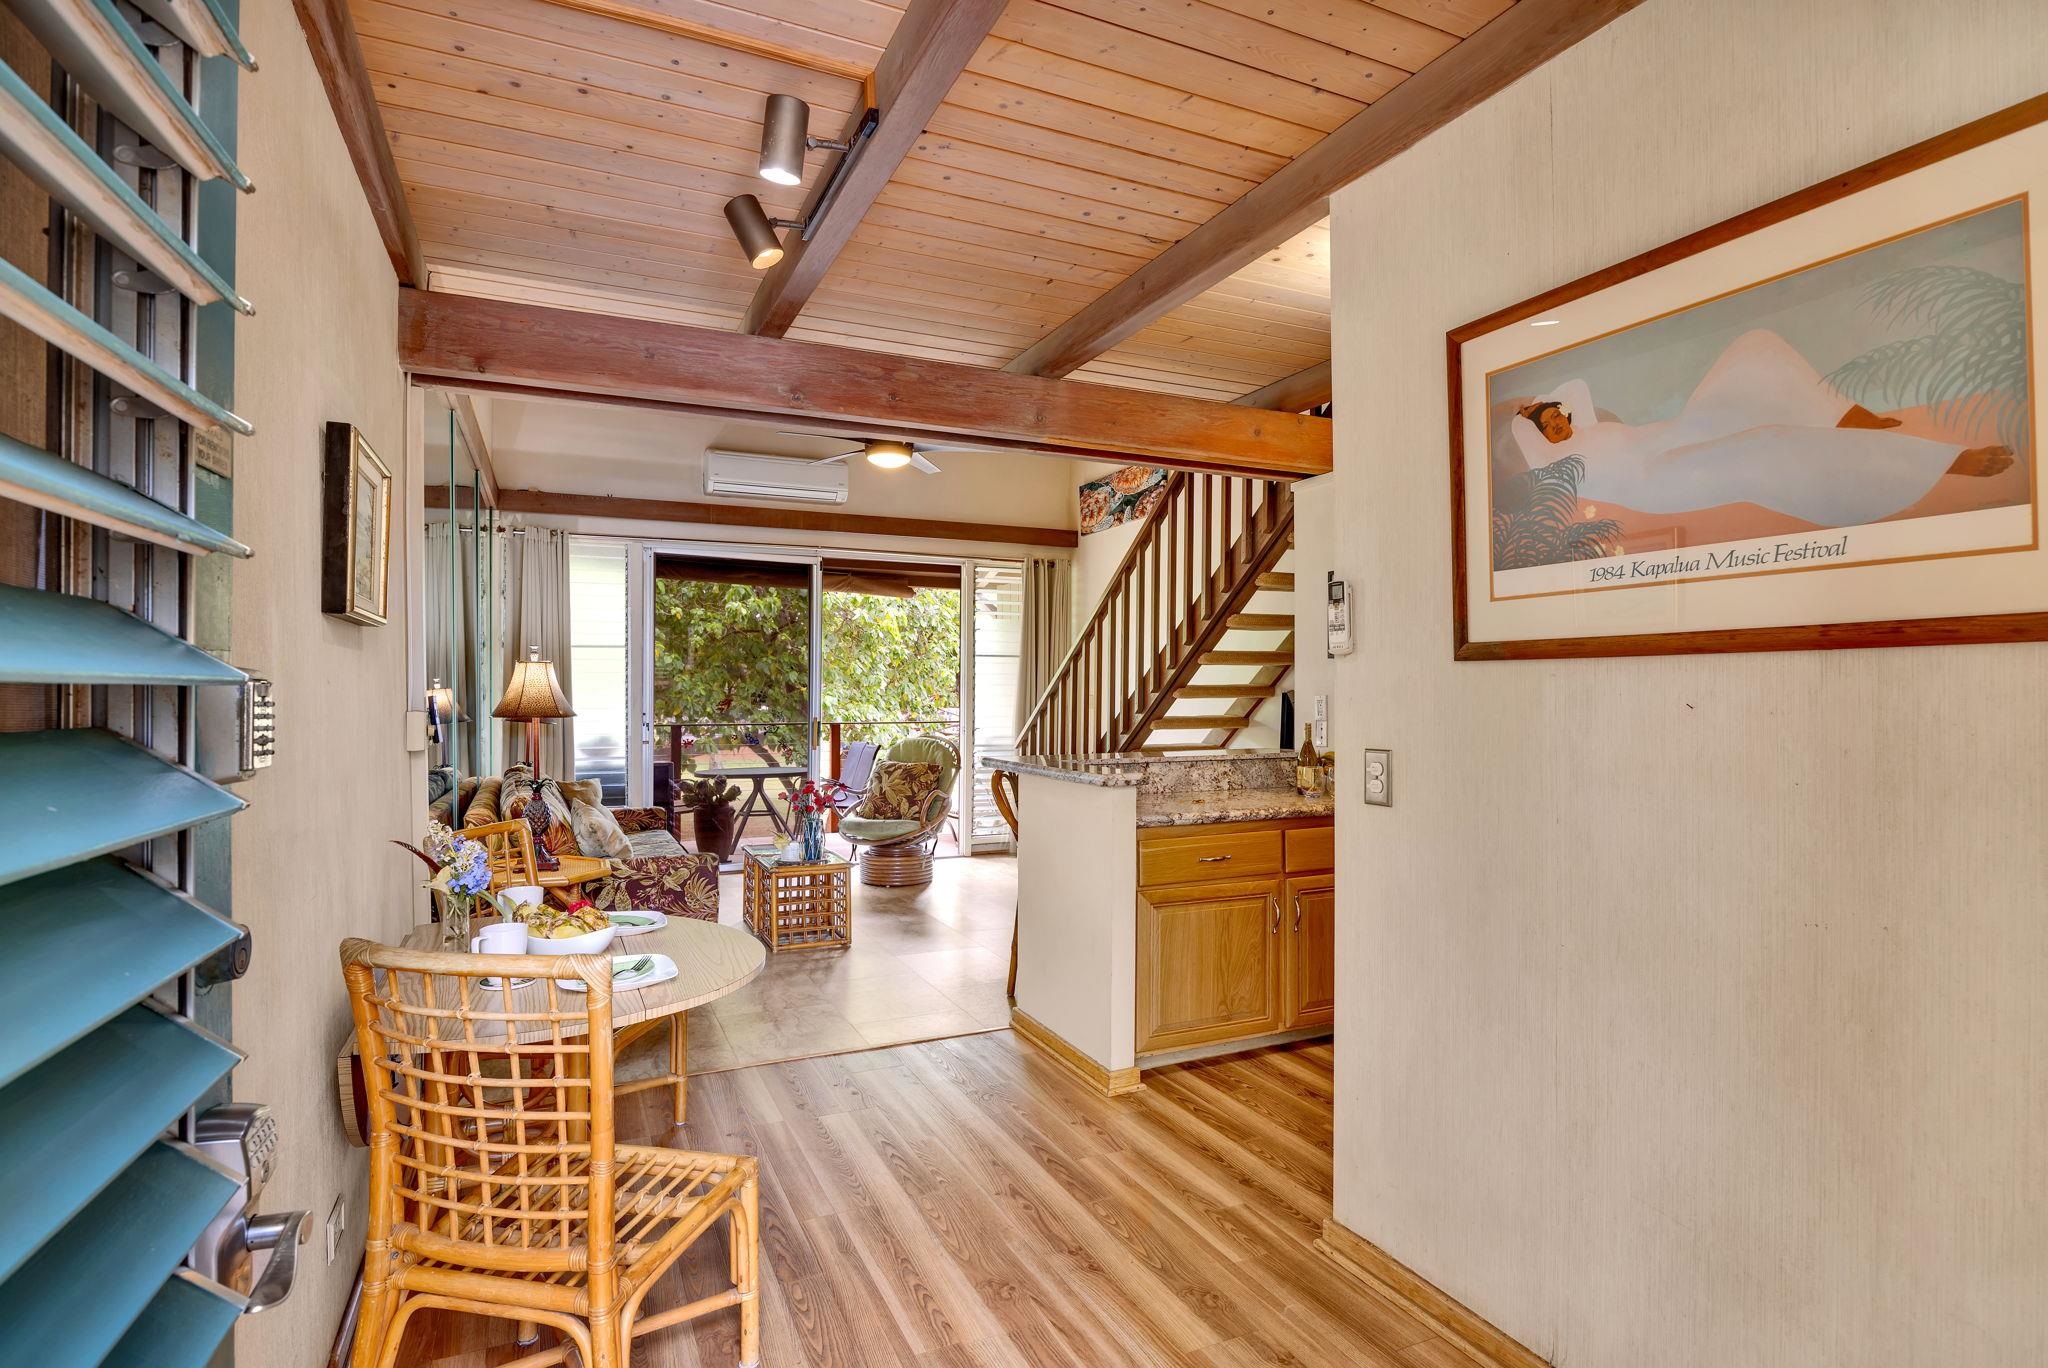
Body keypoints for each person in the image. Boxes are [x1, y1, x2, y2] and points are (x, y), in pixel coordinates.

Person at [1509, 329, 2014, 527]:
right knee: (1768, 447)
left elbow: (1574, 389)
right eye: (1548, 425)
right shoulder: (1551, 462)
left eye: (1557, 417)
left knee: (1754, 352)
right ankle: (1941, 463)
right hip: (1660, 478)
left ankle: (1841, 416)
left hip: (1675, 434)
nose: (1557, 425)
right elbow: (1525, 433)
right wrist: (1525, 413)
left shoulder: (1586, 429)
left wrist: (1545, 406)